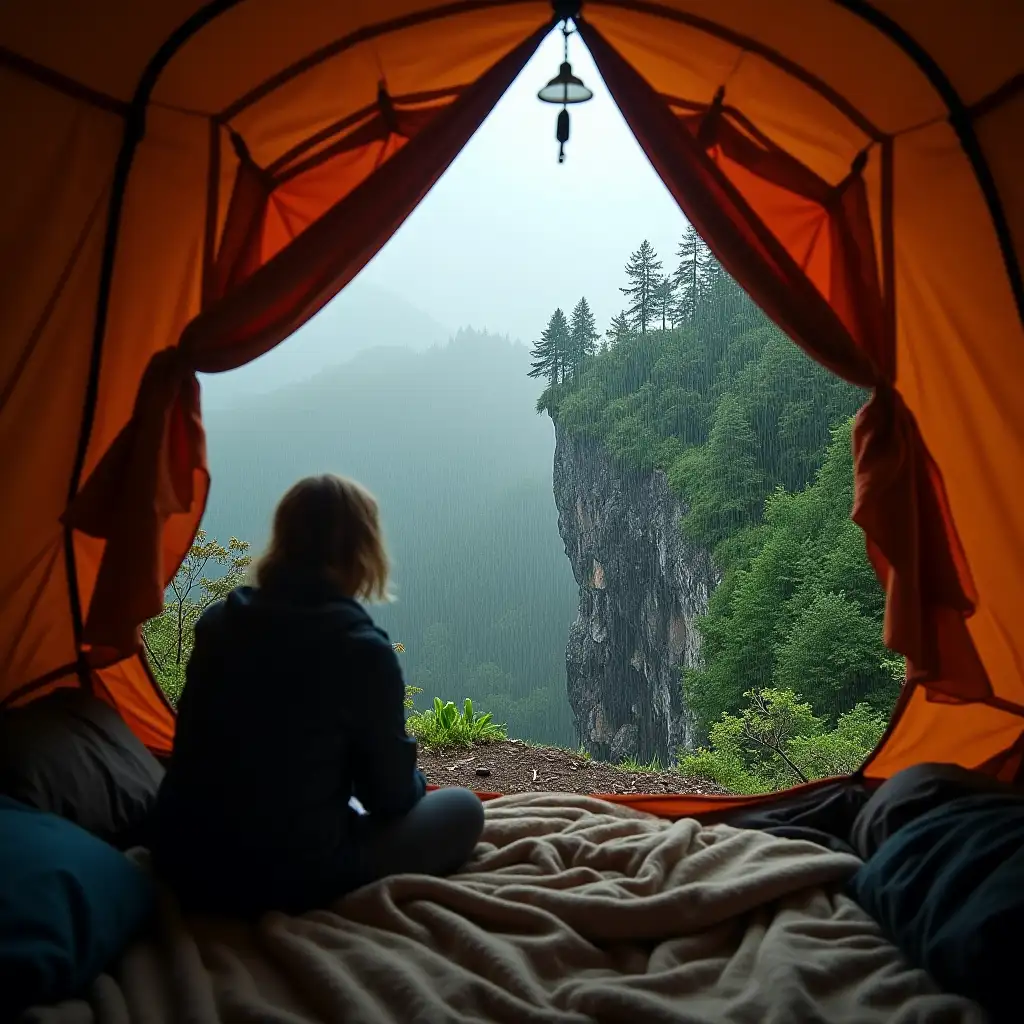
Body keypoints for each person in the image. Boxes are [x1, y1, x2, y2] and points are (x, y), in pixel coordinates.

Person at [151, 474, 485, 915]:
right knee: (463, 808)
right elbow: (392, 797)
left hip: (182, 858)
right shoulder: (360, 649)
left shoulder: (218, 624)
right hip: (287, 874)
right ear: (361, 551)